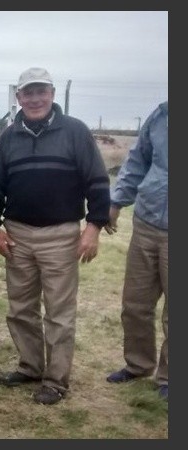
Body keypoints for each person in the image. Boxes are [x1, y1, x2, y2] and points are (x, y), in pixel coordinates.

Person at [0, 67, 110, 405]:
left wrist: (93, 227)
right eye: (28, 93)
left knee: (59, 312)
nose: (35, 99)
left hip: (62, 235)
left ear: (52, 94)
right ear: (18, 97)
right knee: (20, 309)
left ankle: (56, 380)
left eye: (41, 91)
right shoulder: (8, 138)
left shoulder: (75, 132)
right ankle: (30, 366)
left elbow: (97, 181)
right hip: (18, 234)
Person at [104, 101, 168, 402]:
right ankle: (139, 364)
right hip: (147, 223)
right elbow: (138, 162)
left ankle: (169, 377)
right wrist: (116, 203)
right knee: (135, 304)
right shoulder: (162, 114)